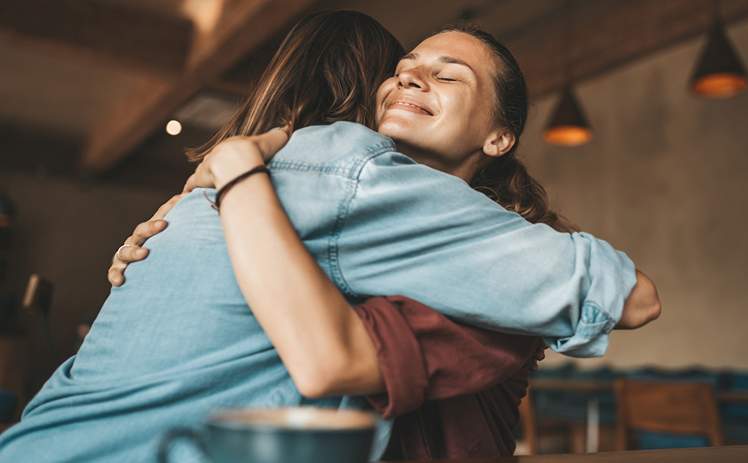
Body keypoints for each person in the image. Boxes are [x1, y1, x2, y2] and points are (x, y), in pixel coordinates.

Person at [0, 11, 660, 463]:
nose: (411, 76)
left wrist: (238, 169)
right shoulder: (332, 184)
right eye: (404, 67)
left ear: (498, 137)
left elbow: (329, 358)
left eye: (449, 73)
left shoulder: (470, 252)